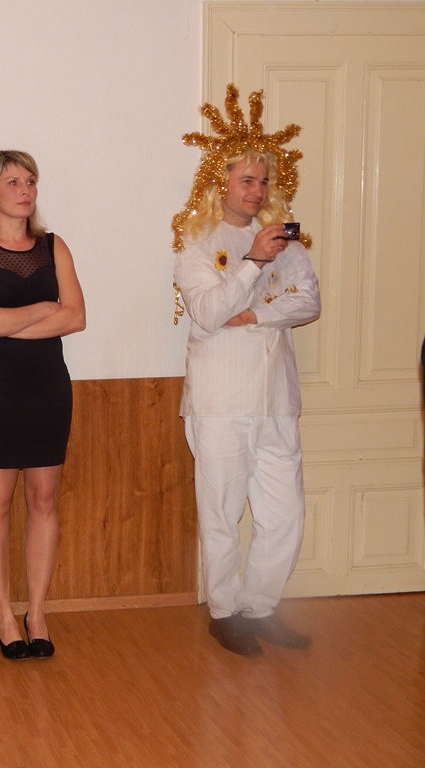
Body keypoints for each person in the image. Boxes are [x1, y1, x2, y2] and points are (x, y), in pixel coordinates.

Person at [172, 85, 321, 657]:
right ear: (223, 181)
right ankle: (225, 611)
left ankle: (261, 607)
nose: (257, 191)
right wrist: (254, 260)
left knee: (284, 516)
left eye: (263, 181)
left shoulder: (287, 239)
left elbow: (308, 301)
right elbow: (209, 314)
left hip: (276, 400)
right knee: (222, 512)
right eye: (247, 180)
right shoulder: (196, 242)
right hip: (220, 403)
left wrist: (257, 313)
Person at [0, 151, 85, 660]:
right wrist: (44, 309)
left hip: (48, 386)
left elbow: (76, 318)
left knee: (44, 501)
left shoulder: (55, 246)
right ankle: (4, 615)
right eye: (12, 182)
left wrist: (12, 320)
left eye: (30, 180)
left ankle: (37, 613)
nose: (25, 190)